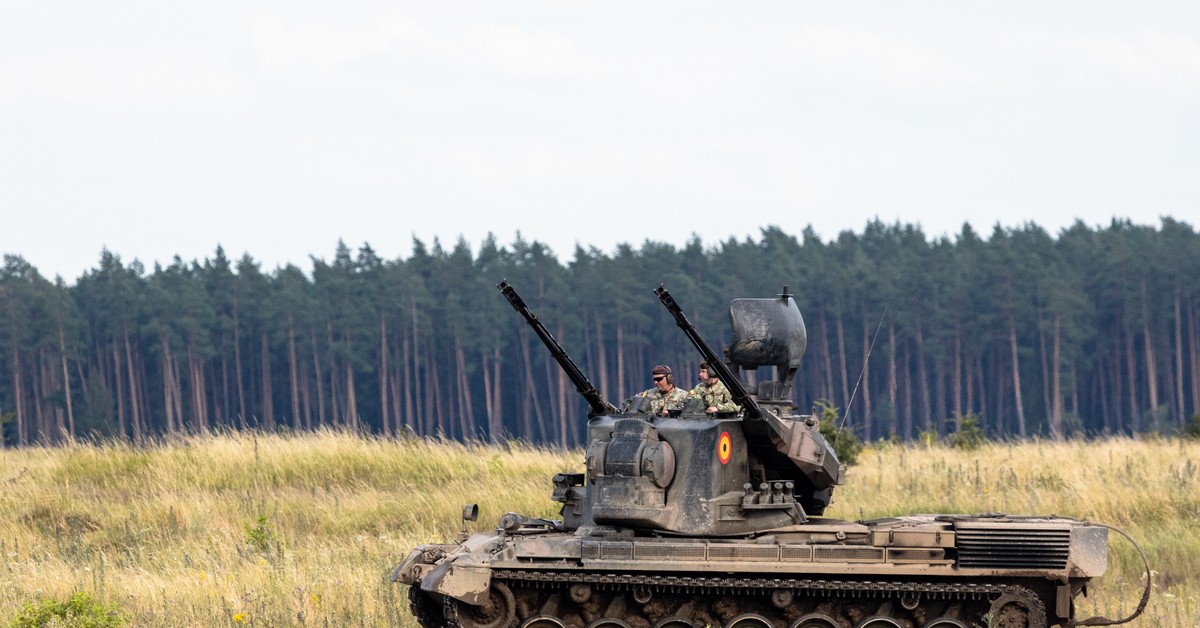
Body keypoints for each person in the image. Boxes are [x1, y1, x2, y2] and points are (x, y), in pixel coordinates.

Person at [621, 364, 689, 415]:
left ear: (669, 378)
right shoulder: (647, 395)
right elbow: (630, 405)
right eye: (654, 379)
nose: (656, 382)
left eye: (659, 379)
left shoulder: (684, 396)